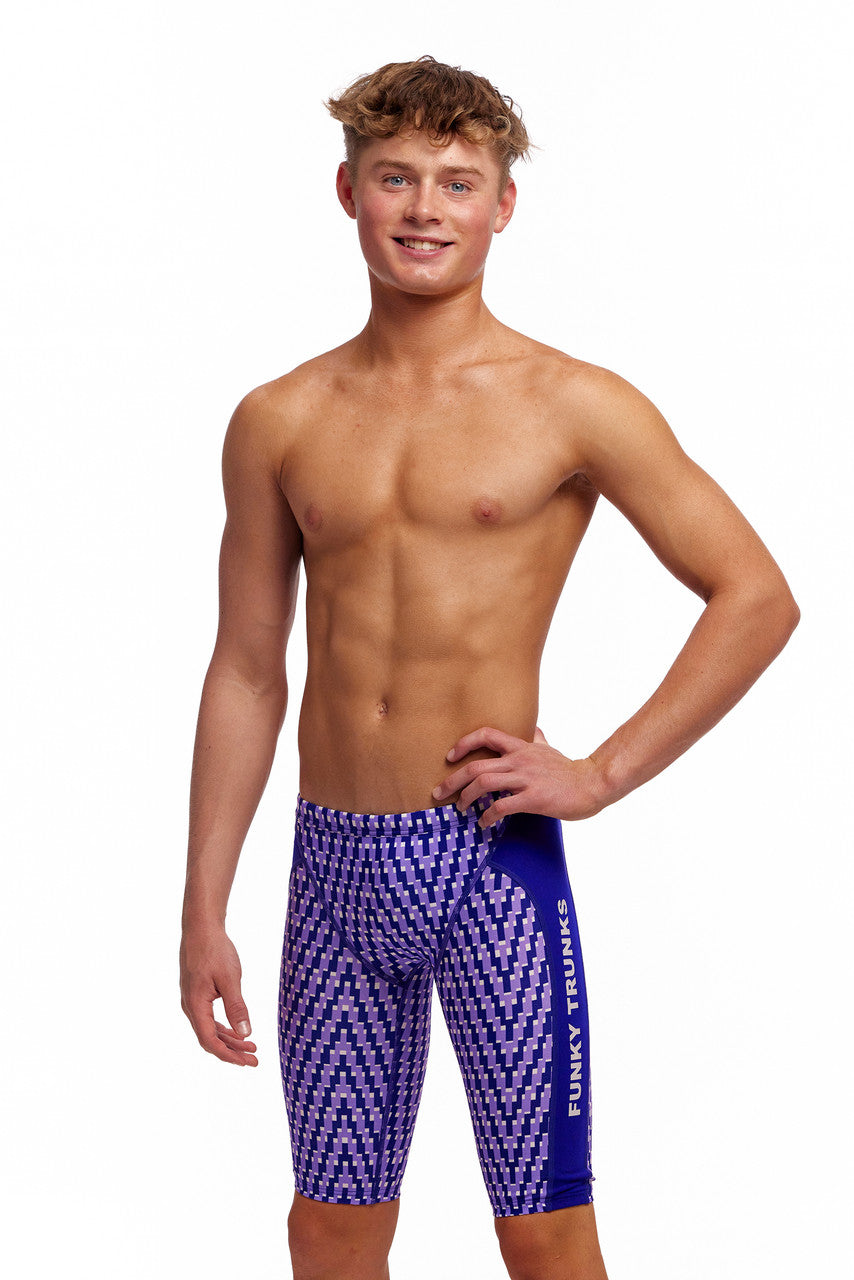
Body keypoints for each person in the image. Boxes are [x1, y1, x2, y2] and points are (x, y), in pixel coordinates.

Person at [179, 54, 800, 1280]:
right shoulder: (278, 417)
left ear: (502, 205)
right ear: (347, 190)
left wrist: (600, 773)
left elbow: (755, 595)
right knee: (327, 1228)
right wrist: (203, 905)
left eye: (456, 182)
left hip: (486, 863)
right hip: (332, 872)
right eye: (395, 177)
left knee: (542, 1232)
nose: (424, 208)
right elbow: (247, 669)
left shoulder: (572, 402)